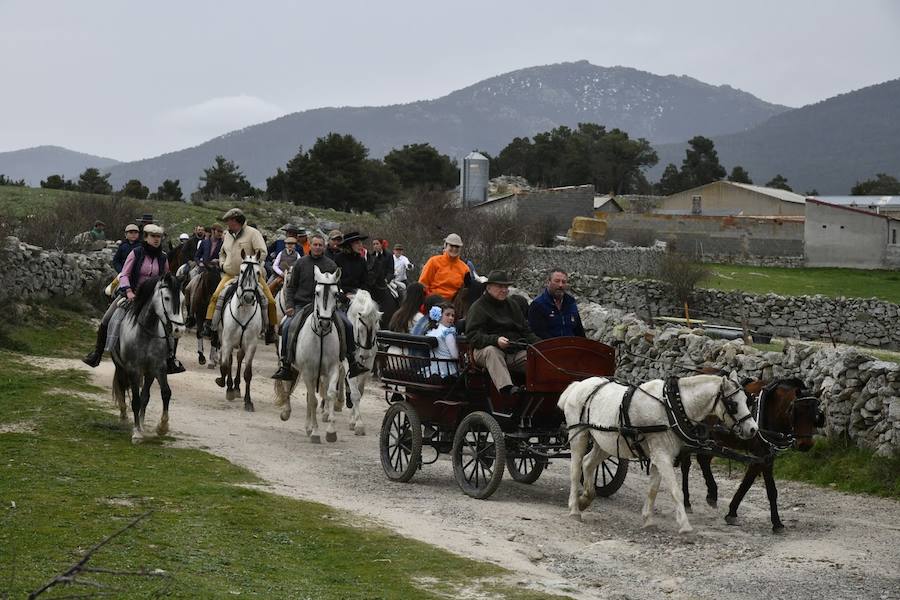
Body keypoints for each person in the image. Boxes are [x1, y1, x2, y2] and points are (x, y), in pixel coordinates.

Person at [82, 224, 185, 374]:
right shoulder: (136, 253)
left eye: (159, 237)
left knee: (172, 322)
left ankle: (170, 359)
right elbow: (124, 274)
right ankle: (97, 354)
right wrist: (128, 291)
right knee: (107, 318)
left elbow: (166, 277)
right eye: (153, 236)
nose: (156, 240)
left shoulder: (163, 257)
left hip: (154, 298)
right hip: (132, 295)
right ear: (146, 237)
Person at [271, 233, 368, 380]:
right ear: (310, 245)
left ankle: (352, 362)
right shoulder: (300, 263)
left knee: (347, 325)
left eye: (320, 245)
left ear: (324, 247)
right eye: (315, 245)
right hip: (303, 303)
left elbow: (338, 287)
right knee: (287, 326)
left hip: (327, 307)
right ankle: (285, 364)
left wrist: (341, 298)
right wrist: (290, 305)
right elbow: (291, 287)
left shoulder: (331, 264)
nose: (317, 247)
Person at [201, 208, 277, 345]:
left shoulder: (253, 233)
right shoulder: (228, 235)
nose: (227, 224)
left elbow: (262, 252)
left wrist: (252, 265)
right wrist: (223, 264)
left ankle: (270, 330)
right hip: (230, 274)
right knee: (215, 296)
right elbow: (222, 252)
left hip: (252, 276)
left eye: (229, 221)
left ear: (237, 221)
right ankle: (209, 326)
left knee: (270, 301)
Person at [465, 270, 539, 398]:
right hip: (484, 351)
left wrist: (542, 346)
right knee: (492, 351)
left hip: (513, 351)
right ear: (488, 287)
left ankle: (542, 392)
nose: (504, 290)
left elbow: (526, 331)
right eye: (500, 286)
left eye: (506, 287)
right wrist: (495, 340)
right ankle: (507, 389)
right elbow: (472, 336)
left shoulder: (513, 305)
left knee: (535, 357)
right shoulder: (478, 307)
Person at [528, 268, 585, 339]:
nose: (560, 285)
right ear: (548, 282)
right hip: (550, 347)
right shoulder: (538, 305)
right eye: (557, 281)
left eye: (563, 282)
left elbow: (579, 330)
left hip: (571, 346)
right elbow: (538, 334)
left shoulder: (571, 302)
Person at [418, 233, 469, 301]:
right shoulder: (434, 261)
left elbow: (466, 289)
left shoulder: (465, 268)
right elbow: (423, 284)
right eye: (451, 245)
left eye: (457, 247)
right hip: (432, 301)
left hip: (453, 304)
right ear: (445, 246)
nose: (454, 249)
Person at [425, 304, 459, 377]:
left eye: (453, 316)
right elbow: (455, 356)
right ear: (439, 315)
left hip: (434, 370)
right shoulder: (448, 332)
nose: (451, 318)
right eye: (447, 315)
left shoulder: (431, 331)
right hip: (448, 371)